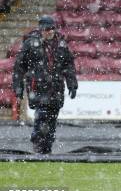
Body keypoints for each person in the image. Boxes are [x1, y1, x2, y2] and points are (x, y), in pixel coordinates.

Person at [12, 15, 78, 154]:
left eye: (52, 28)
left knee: (52, 120)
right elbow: (19, 68)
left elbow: (69, 66)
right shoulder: (30, 44)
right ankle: (38, 145)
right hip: (38, 87)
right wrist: (18, 90)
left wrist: (72, 84)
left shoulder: (61, 44)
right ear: (41, 29)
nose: (50, 31)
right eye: (47, 29)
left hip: (56, 88)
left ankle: (46, 148)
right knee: (42, 117)